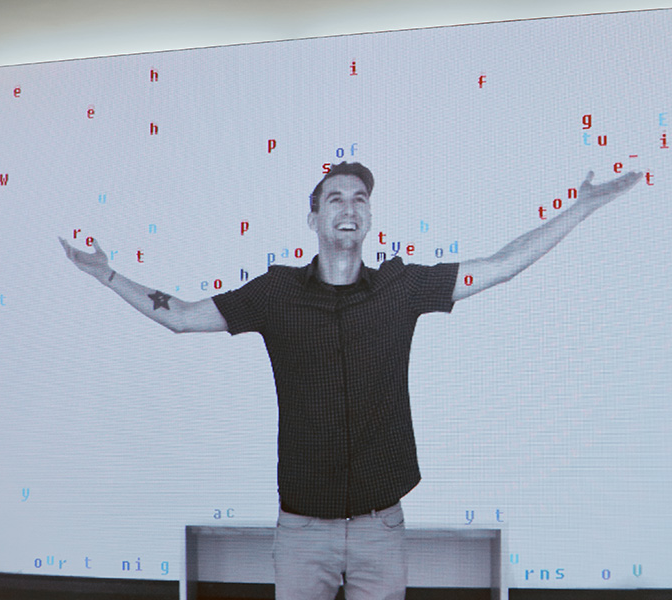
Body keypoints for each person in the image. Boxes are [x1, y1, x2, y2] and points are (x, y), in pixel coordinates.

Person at [60, 162, 641, 599]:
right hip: (300, 529)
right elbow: (183, 317)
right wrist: (107, 275)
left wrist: (583, 207)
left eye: (360, 198)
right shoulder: (275, 294)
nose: (350, 205)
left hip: (379, 527)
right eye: (335, 196)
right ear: (314, 218)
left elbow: (502, 265)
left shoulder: (400, 287)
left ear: (367, 218)